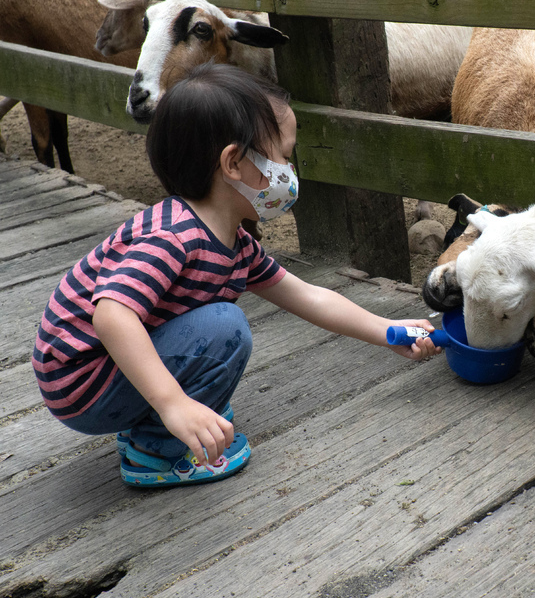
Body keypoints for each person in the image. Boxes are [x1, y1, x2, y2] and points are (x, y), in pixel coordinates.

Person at [32, 62, 440, 488]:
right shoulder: (175, 236)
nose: (290, 171)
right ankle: (152, 452)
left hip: (98, 371)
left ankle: (161, 413)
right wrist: (174, 405)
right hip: (80, 380)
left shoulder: (234, 244)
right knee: (225, 327)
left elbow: (308, 296)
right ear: (233, 162)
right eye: (283, 155)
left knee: (217, 323)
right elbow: (112, 315)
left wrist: (387, 329)